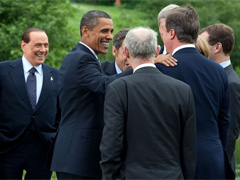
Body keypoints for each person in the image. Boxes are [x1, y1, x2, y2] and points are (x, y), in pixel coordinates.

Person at [100, 26, 196, 180]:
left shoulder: (118, 89)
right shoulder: (183, 90)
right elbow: (189, 148)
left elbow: (111, 145)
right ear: (157, 51)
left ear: (126, 52)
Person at [50, 10, 132, 179]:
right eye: (104, 31)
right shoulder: (82, 58)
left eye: (111, 31)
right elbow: (106, 85)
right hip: (77, 157)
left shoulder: (84, 57)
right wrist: (144, 65)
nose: (110, 36)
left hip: (77, 157)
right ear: (85, 31)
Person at [155, 6, 235, 179]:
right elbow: (224, 122)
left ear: (171, 34)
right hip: (212, 159)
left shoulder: (161, 68)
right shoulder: (218, 71)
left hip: (174, 161)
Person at [0, 28, 60, 179]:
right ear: (23, 45)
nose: (43, 50)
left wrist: (54, 137)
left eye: (46, 45)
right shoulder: (3, 71)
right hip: (8, 148)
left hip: (42, 150)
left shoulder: (57, 76)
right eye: (38, 45)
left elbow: (61, 111)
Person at [200, 23, 240, 175]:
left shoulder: (231, 83)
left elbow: (230, 134)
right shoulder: (214, 76)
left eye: (202, 44)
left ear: (217, 47)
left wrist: (219, 167)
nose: (198, 49)